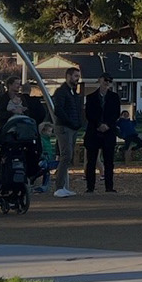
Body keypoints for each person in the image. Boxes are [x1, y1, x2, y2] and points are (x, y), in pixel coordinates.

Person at [84, 76, 122, 193]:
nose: (107, 83)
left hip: (109, 132)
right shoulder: (90, 97)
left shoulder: (115, 97)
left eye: (110, 81)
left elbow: (116, 113)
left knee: (109, 161)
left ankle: (109, 186)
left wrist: (108, 125)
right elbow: (88, 114)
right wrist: (98, 125)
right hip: (94, 132)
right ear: (99, 80)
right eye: (105, 80)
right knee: (91, 160)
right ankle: (90, 187)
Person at [50, 68, 84, 198]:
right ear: (68, 76)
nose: (77, 79)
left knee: (67, 156)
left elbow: (77, 109)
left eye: (78, 76)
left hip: (73, 128)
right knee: (66, 155)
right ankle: (59, 186)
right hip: (64, 127)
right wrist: (71, 122)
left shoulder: (73, 93)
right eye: (75, 76)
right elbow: (58, 110)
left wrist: (78, 123)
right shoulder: (61, 92)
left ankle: (62, 186)